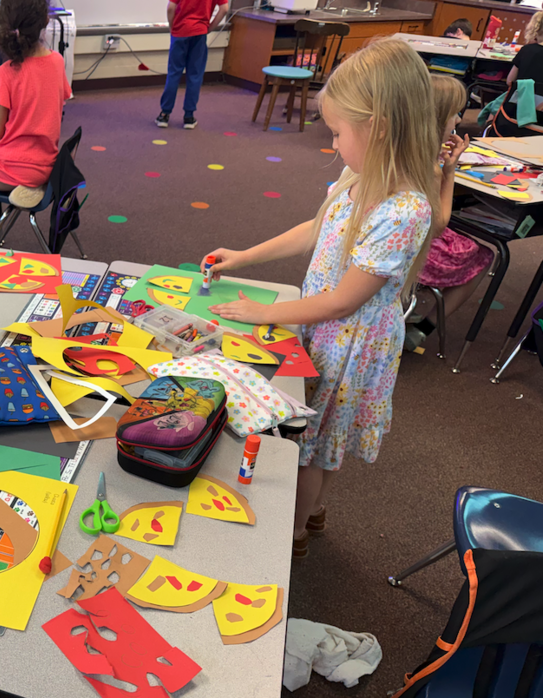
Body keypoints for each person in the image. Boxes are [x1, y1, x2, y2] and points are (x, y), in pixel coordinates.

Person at [201, 39, 439, 558]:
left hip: (351, 346)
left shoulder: (405, 209)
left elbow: (339, 303)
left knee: (313, 450)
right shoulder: (359, 175)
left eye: (337, 132)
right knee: (313, 440)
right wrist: (243, 257)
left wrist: (263, 312)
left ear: (377, 127)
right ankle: (312, 511)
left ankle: (294, 535)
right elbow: (316, 228)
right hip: (324, 331)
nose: (332, 145)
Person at [0, 0, 71, 246]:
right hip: (48, 165)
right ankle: (1, 213)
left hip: (16, 169)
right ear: (45, 22)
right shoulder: (57, 62)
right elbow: (43, 100)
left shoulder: (6, 72)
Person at [407, 76, 493, 351]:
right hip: (416, 250)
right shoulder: (431, 166)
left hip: (402, 240)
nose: (458, 121)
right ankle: (425, 328)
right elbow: (439, 225)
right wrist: (449, 169)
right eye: (454, 114)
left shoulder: (407, 149)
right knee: (485, 255)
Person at [156, 0, 229, 129]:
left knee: (174, 73)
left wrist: (172, 27)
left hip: (180, 31)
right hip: (199, 33)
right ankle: (189, 117)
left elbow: (170, 8)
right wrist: (210, 27)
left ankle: (164, 114)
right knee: (195, 75)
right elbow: (224, 9)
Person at [491, 11, 543, 136]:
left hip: (513, 114)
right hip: (540, 122)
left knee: (494, 106)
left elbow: (510, 80)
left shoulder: (527, 51)